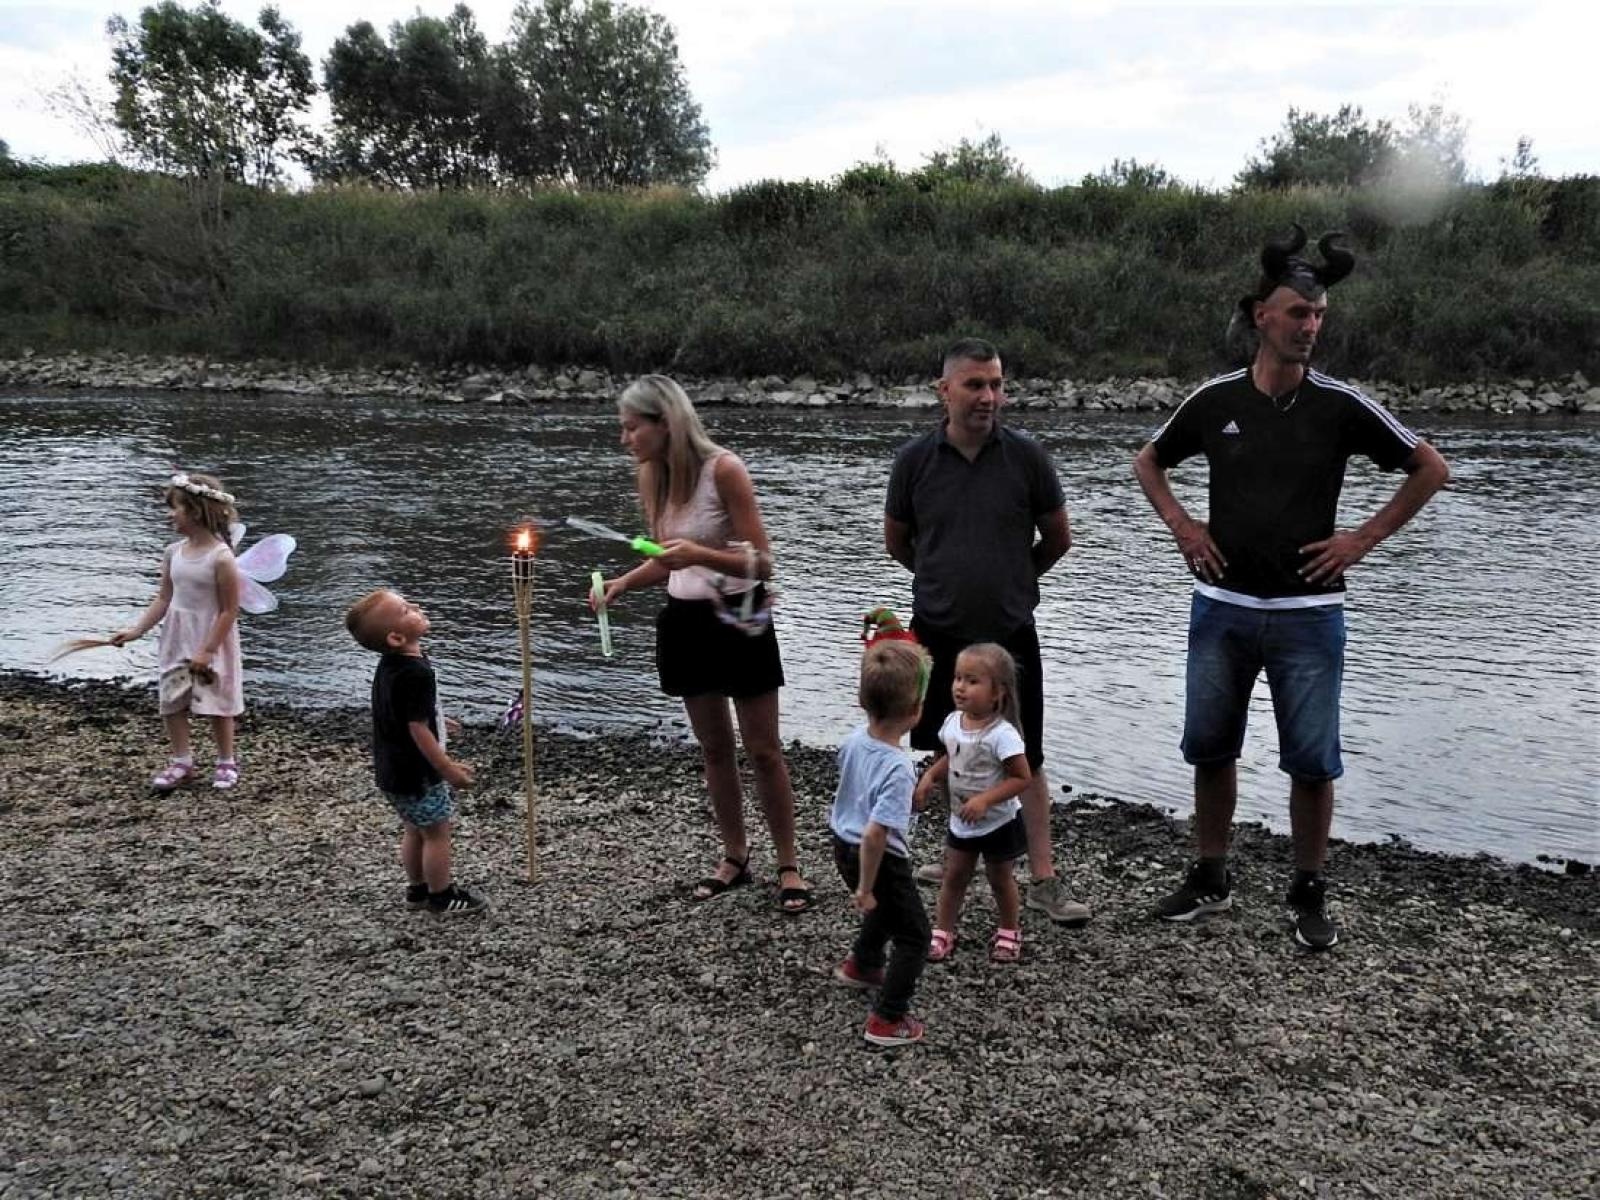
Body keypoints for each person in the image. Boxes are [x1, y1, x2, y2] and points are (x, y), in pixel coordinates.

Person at [1132, 224, 1450, 950]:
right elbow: (1148, 462)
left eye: (1318, 317)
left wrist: (1361, 540)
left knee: (1311, 758)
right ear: (1260, 317)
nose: (1310, 328)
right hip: (1222, 607)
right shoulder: (1214, 400)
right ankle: (1210, 877)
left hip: (1310, 614)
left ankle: (1308, 892)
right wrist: (1183, 526)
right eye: (1297, 314)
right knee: (1210, 748)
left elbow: (1431, 467)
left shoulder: (1341, 405)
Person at [885, 338, 1089, 926]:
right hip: (939, 631)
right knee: (944, 745)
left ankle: (1044, 880)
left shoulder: (1027, 458)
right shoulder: (914, 461)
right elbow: (898, 541)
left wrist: (1014, 581)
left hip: (1008, 636)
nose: (988, 396)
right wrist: (941, 580)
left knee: (1028, 754)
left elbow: (1058, 538)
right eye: (975, 384)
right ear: (943, 391)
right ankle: (955, 853)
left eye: (997, 384)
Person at [593, 375, 812, 913]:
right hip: (686, 619)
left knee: (763, 749)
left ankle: (789, 864)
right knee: (715, 750)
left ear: (664, 423)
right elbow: (667, 557)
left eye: (631, 427)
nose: (625, 439)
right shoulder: (653, 476)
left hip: (740, 614)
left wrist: (700, 555)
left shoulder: (725, 470)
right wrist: (624, 583)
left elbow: (762, 561)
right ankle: (735, 856)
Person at [344, 589, 485, 916]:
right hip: (418, 774)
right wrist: (446, 767)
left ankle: (417, 889)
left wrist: (438, 718)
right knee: (437, 832)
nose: (417, 607)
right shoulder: (416, 672)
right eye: (407, 609)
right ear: (396, 637)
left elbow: (404, 712)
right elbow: (417, 728)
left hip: (392, 771)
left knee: (414, 827)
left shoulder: (391, 665)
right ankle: (441, 895)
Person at [830, 631, 935, 1047]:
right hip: (876, 857)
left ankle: (863, 965)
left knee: (884, 912)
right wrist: (865, 886)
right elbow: (876, 834)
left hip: (841, 841)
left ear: (862, 701)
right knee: (914, 935)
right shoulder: (898, 767)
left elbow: (860, 794)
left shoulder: (855, 740)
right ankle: (888, 1019)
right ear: (916, 710)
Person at [110, 471, 245, 791]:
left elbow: (229, 610)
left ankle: (226, 760)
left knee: (217, 700)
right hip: (177, 635)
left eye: (176, 508)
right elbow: (164, 597)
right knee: (172, 697)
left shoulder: (221, 558)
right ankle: (181, 759)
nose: (171, 515)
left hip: (212, 637)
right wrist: (137, 630)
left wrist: (208, 650)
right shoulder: (173, 552)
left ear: (196, 512)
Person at [915, 643, 1032, 964]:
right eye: (957, 678)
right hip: (962, 820)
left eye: (972, 681)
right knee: (954, 876)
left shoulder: (1002, 735)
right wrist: (929, 778)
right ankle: (942, 931)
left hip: (998, 821)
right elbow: (950, 757)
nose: (960, 687)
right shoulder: (953, 722)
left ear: (998, 693)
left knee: (999, 879)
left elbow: (1022, 778)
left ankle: (1009, 931)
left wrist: (984, 799)